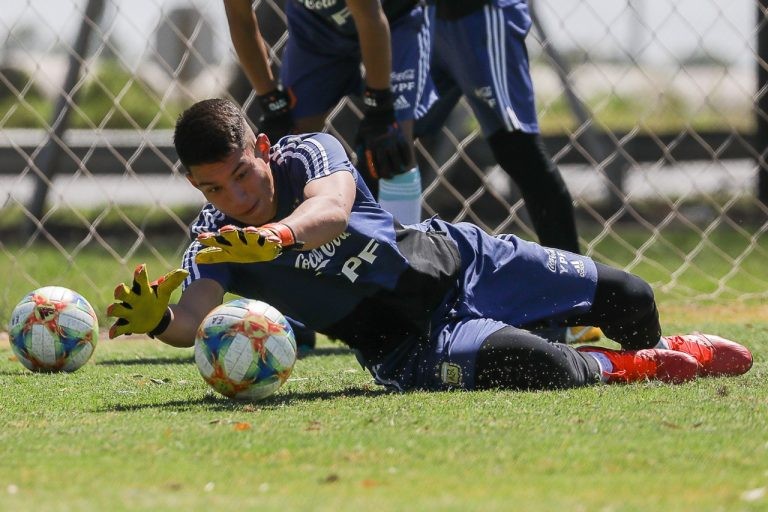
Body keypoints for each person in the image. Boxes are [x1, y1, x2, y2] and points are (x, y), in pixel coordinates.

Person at [106, 99, 753, 392]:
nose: (236, 197)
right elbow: (192, 316)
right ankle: (622, 367)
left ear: (263, 150)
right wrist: (161, 322)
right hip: (408, 344)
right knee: (543, 370)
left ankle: (663, 347)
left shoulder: (311, 151)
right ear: (195, 185)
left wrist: (274, 239)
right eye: (215, 188)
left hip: (467, 263)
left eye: (243, 174)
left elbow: (329, 213)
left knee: (630, 297)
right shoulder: (211, 243)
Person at [423, 0, 602, 344]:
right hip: (426, 17)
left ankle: (574, 308)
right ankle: (376, 297)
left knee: (517, 150)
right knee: (391, 141)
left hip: (480, 17)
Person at [223, 0, 432, 226]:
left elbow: (370, 16)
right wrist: (271, 101)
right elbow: (240, 19)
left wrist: (380, 109)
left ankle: (404, 247)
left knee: (392, 145)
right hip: (316, 24)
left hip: (393, 18)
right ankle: (288, 245)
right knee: (287, 142)